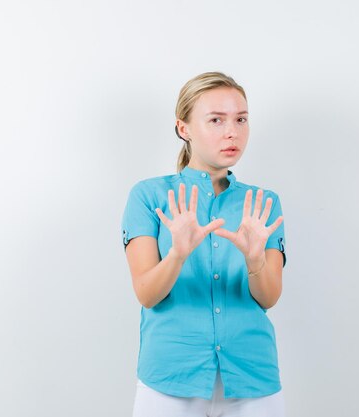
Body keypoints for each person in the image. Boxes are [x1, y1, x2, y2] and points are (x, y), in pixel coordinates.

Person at [121, 71, 287, 417]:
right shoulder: (149, 196)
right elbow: (147, 293)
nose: (232, 132)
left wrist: (255, 259)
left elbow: (269, 297)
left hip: (252, 378)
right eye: (216, 120)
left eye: (241, 119)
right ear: (184, 129)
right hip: (170, 378)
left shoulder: (263, 202)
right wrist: (178, 254)